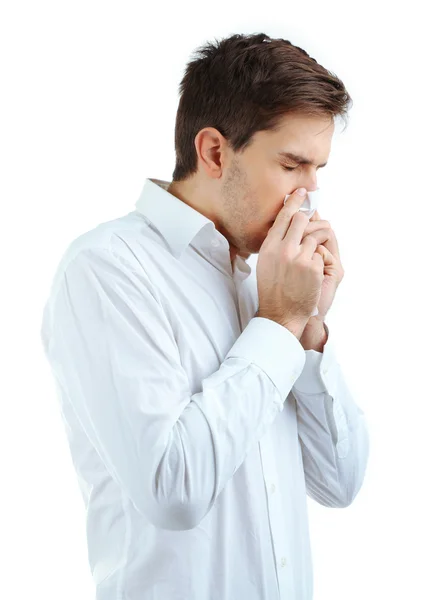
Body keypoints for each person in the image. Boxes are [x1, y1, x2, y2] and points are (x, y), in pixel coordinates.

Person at [40, 32, 369, 600]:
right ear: (215, 152)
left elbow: (340, 483)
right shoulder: (107, 270)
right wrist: (279, 323)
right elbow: (173, 491)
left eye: (316, 172)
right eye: (292, 166)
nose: (308, 200)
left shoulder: (266, 278)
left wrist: (310, 330)